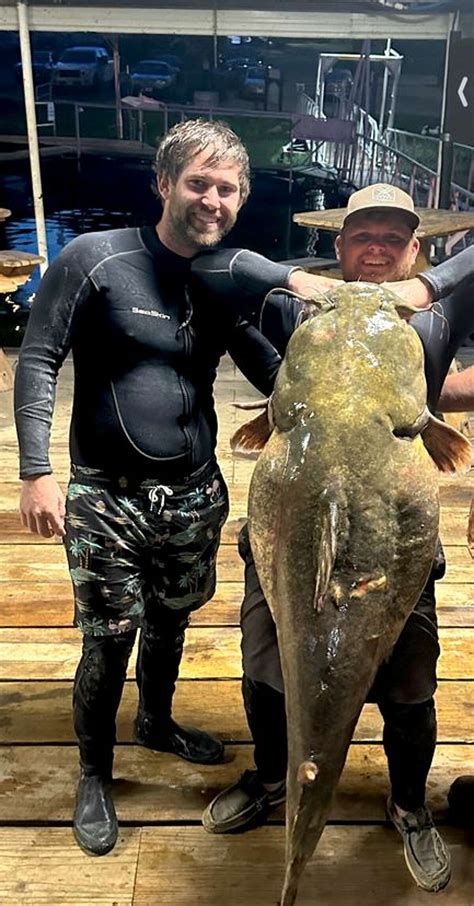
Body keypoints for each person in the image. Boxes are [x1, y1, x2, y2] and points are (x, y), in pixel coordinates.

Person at [14, 118, 334, 857]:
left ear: (240, 199)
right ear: (163, 184)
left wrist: (338, 369)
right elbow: (37, 360)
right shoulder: (97, 259)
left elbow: (275, 378)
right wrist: (36, 472)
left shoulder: (224, 280)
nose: (211, 199)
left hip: (194, 492)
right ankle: (95, 773)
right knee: (108, 637)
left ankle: (154, 722)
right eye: (198, 182)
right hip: (106, 494)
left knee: (172, 621)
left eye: (226, 188)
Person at [202, 183, 474, 895]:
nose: (378, 248)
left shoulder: (440, 312)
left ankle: (409, 804)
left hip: (398, 535)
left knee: (411, 684)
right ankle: (270, 777)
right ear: (338, 245)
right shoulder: (297, 306)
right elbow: (211, 266)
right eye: (363, 236)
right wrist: (294, 281)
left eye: (394, 237)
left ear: (419, 247)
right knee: (266, 668)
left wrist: (429, 288)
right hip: (292, 526)